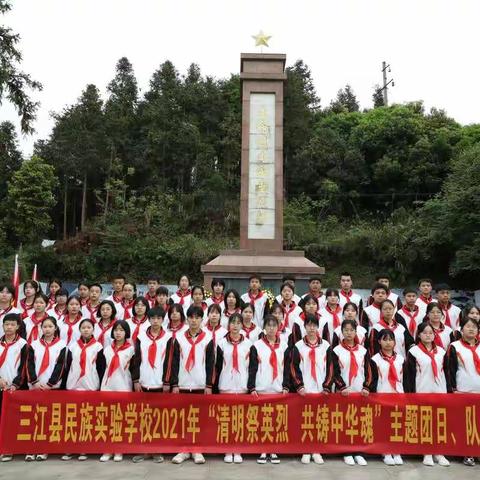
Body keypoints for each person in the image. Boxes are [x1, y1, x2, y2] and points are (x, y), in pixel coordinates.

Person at [165, 305, 212, 465]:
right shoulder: (177, 338)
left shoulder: (208, 338)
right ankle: (184, 450)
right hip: (183, 384)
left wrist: (209, 385)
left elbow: (212, 364)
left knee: (199, 419)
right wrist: (174, 383)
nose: (194, 320)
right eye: (191, 317)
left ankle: (197, 449)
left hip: (200, 384)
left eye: (197, 317)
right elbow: (173, 362)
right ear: (187, 319)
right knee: (183, 418)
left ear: (201, 319)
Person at [288, 314, 334, 465]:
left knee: (320, 420)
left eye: (314, 325)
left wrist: (327, 386)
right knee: (305, 421)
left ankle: (317, 449)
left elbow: (331, 369)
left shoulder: (326, 345)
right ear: (305, 327)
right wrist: (299, 385)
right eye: (309, 325)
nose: (312, 328)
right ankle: (305, 449)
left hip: (321, 389)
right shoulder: (298, 346)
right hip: (305, 390)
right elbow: (294, 368)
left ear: (318, 327)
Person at [404, 322, 450, 467]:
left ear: (434, 335)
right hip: (422, 391)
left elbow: (447, 373)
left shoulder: (442, 352)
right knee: (425, 423)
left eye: (431, 332)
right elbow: (409, 376)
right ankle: (427, 453)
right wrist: (411, 395)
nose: (428, 335)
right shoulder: (414, 352)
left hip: (440, 391)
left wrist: (449, 391)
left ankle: (439, 453)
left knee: (439, 424)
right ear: (419, 335)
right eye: (425, 332)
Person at [131, 307, 171, 464]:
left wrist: (167, 381)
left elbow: (169, 362)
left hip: (160, 384)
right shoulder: (141, 337)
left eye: (158, 318)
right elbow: (136, 360)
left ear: (163, 320)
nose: (155, 321)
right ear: (148, 319)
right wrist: (135, 380)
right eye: (152, 318)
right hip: (144, 383)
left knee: (159, 419)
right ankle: (144, 450)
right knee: (143, 418)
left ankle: (157, 450)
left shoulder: (168, 338)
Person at [248, 314, 290, 464]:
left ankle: (274, 449)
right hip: (262, 387)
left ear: (278, 327)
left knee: (276, 421)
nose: (271, 328)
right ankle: (262, 449)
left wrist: (286, 385)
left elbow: (287, 369)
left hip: (278, 388)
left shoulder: (284, 346)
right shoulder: (257, 345)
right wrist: (252, 387)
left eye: (274, 325)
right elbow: (252, 368)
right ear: (264, 328)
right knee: (262, 420)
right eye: (268, 325)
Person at [332, 319, 375, 466]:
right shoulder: (336, 350)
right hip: (344, 393)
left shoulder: (363, 351)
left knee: (360, 422)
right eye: (346, 330)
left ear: (356, 332)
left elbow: (369, 371)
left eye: (351, 330)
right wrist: (341, 387)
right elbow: (334, 372)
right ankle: (346, 451)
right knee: (345, 421)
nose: (349, 333)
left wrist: (366, 387)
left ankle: (359, 451)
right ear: (341, 332)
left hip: (360, 392)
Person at [62, 319, 105, 462]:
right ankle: (70, 447)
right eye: (83, 327)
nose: (86, 330)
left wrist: (99, 387)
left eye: (89, 327)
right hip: (73, 386)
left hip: (90, 386)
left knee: (87, 418)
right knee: (72, 418)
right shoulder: (73, 346)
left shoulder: (98, 347)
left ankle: (85, 447)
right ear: (79, 330)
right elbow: (67, 366)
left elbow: (100, 368)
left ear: (93, 330)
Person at [211, 313, 251, 464]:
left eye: (238, 323)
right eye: (232, 323)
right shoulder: (221, 344)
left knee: (240, 419)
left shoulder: (248, 343)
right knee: (226, 418)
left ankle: (238, 449)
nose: (235, 325)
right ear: (229, 325)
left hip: (241, 385)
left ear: (242, 325)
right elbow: (217, 366)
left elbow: (251, 366)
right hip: (226, 384)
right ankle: (227, 449)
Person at [26, 316, 67, 461]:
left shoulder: (62, 345)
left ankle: (44, 449)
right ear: (41, 328)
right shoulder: (34, 344)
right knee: (33, 418)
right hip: (35, 386)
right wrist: (35, 381)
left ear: (55, 328)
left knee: (48, 419)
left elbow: (60, 366)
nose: (47, 329)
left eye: (50, 326)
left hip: (52, 388)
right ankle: (31, 449)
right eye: (45, 326)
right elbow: (29, 364)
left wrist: (50, 384)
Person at [100, 320, 137, 462]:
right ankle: (108, 449)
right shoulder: (107, 349)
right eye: (116, 330)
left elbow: (133, 369)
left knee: (120, 420)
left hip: (123, 387)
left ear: (126, 332)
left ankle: (119, 449)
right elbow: (103, 368)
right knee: (108, 420)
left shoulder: (131, 349)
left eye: (121, 330)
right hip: (107, 387)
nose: (118, 332)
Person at [446, 316, 480, 466]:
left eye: (474, 327)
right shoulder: (454, 346)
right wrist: (452, 389)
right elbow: (449, 370)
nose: (471, 329)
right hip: (463, 391)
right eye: (468, 326)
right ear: (461, 329)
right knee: (466, 425)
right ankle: (467, 454)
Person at [370, 329, 405, 466]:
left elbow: (405, 379)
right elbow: (372, 380)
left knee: (397, 425)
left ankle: (396, 451)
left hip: (398, 395)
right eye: (385, 339)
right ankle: (385, 452)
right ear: (379, 341)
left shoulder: (402, 359)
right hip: (382, 395)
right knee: (384, 425)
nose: (388, 343)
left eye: (391, 339)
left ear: (395, 342)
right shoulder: (374, 360)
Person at [0, 313, 28, 463]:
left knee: (12, 420)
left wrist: (15, 384)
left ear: (18, 326)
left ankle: (10, 449)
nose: (9, 327)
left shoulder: (23, 344)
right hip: (0, 385)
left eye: (12, 325)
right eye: (6, 324)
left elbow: (24, 367)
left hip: (15, 389)